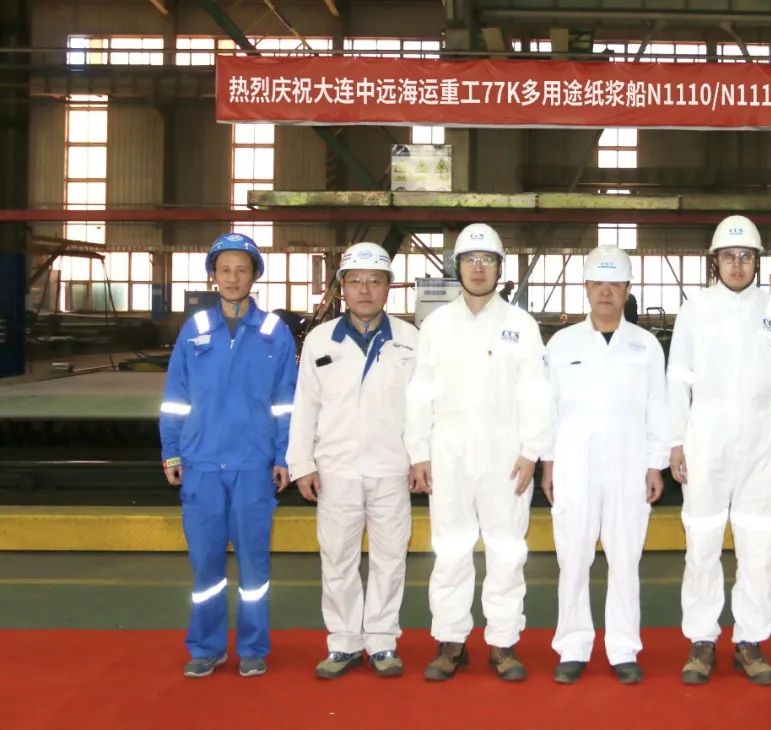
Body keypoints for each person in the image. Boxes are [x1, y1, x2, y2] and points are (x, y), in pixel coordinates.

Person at [404, 223, 553, 682]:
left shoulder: (521, 325)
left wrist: (532, 451)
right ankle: (451, 640)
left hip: (505, 458)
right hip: (447, 456)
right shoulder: (436, 325)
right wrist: (418, 452)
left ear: (500, 269)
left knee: (506, 550)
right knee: (450, 550)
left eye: (487, 260)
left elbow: (536, 392)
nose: (478, 268)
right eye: (470, 260)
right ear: (458, 267)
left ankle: (503, 643)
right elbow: (419, 393)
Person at [668, 215, 771, 687]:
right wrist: (675, 440)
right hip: (705, 437)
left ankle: (751, 640)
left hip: (760, 440)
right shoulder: (695, 310)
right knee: (702, 541)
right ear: (715, 262)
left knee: (759, 543)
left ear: (756, 262)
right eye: (729, 256)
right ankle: (702, 640)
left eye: (745, 256)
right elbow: (677, 380)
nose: (737, 264)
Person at [159, 232, 297, 679]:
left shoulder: (275, 332)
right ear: (213, 276)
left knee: (255, 566)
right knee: (206, 567)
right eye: (225, 270)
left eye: (242, 270)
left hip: (253, 466)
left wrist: (283, 456)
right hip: (201, 465)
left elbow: (286, 402)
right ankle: (207, 647)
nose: (233, 278)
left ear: (255, 276)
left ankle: (253, 647)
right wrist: (171, 452)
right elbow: (175, 399)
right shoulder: (194, 330)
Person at [286, 242, 418, 680]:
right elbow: (305, 406)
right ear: (342, 287)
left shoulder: (410, 340)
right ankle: (343, 641)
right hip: (336, 469)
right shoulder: (320, 340)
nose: (365, 289)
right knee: (338, 559)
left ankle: (381, 641)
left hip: (391, 468)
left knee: (390, 559)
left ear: (388, 287)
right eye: (356, 281)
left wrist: (421, 458)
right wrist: (302, 463)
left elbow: (423, 409)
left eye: (374, 281)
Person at [542, 245, 667, 685]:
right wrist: (548, 462)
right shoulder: (562, 344)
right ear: (586, 287)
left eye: (615, 284)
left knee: (625, 558)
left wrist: (655, 464)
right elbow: (547, 408)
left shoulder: (645, 346)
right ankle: (572, 646)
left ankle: (623, 648)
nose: (607, 291)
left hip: (629, 463)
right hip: (574, 462)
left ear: (628, 289)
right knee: (573, 557)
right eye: (598, 283)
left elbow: (658, 408)